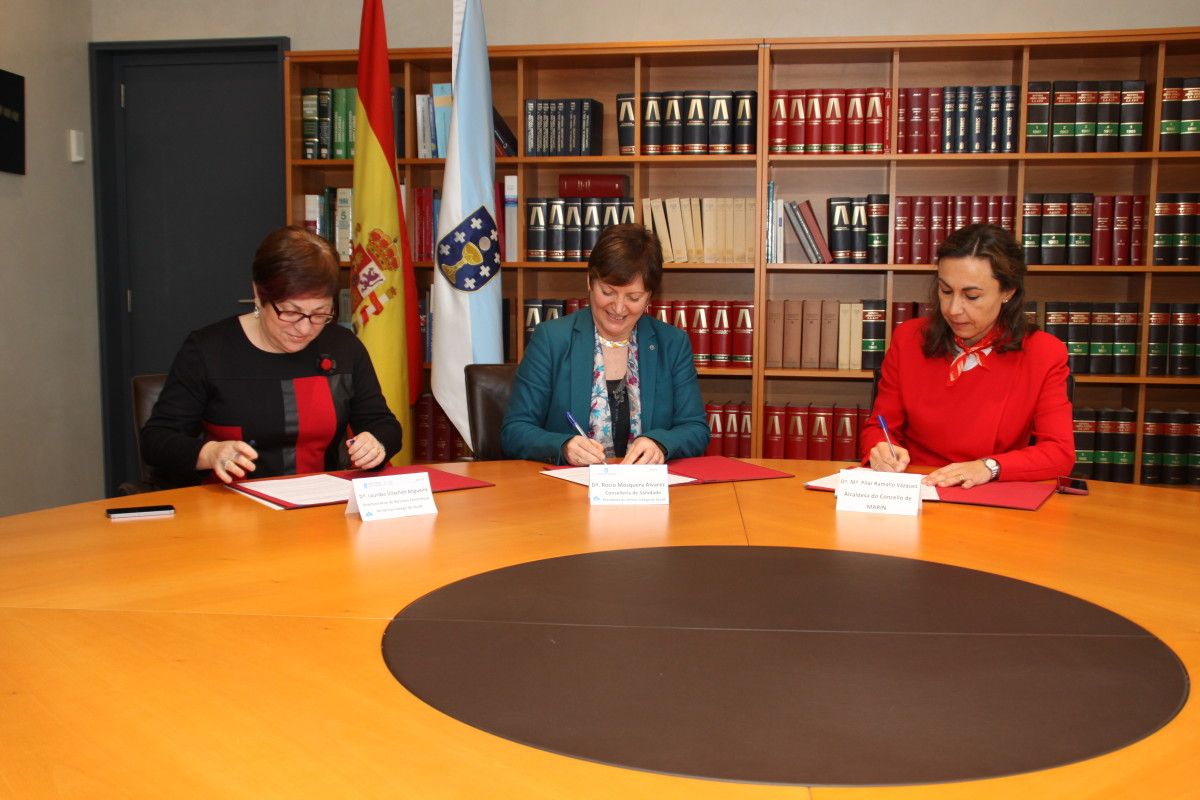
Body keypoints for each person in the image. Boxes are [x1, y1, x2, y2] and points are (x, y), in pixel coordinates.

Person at [141, 226, 402, 485]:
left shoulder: (344, 347)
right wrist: (209, 453)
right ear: (258, 295)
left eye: (320, 313)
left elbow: (383, 425)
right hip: (231, 509)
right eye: (290, 312)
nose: (304, 328)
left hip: (321, 505)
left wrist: (375, 443)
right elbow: (157, 440)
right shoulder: (208, 350)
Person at [860, 223, 1074, 487]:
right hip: (917, 490)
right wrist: (880, 448)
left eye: (971, 296)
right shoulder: (909, 339)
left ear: (1008, 291)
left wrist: (989, 467)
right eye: (946, 291)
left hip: (991, 498)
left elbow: (1059, 453)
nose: (953, 309)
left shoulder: (1043, 353)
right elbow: (879, 427)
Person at [501, 224, 709, 465]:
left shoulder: (672, 344)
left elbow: (696, 429)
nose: (619, 308)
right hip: (567, 494)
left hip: (645, 494)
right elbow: (514, 431)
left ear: (649, 297)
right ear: (590, 281)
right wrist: (564, 447)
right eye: (608, 292)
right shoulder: (551, 339)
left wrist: (660, 443)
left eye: (633, 297)